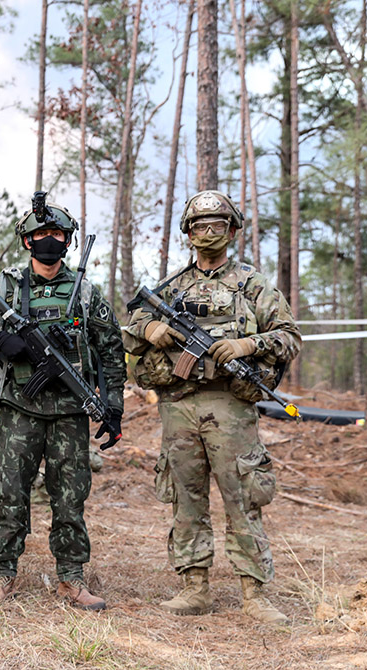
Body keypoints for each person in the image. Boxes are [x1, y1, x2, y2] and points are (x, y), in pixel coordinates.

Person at [123, 190, 301, 624]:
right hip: (179, 406)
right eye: (200, 226)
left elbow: (290, 337)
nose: (208, 233)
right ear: (187, 233)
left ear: (233, 229)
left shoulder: (253, 284)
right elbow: (129, 329)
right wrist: (153, 329)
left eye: (218, 224)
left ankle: (254, 593)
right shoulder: (172, 286)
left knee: (243, 497)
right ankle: (194, 587)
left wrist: (247, 342)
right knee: (185, 498)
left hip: (230, 409)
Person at [0, 193, 125, 609]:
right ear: (27, 241)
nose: (48, 240)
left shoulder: (85, 293)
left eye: (56, 233)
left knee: (70, 497)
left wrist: (114, 405)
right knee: (10, 494)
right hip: (20, 408)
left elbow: (109, 350)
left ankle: (71, 578)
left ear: (67, 241)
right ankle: (3, 575)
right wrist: (1, 340)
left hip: (71, 412)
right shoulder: (6, 288)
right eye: (40, 234)